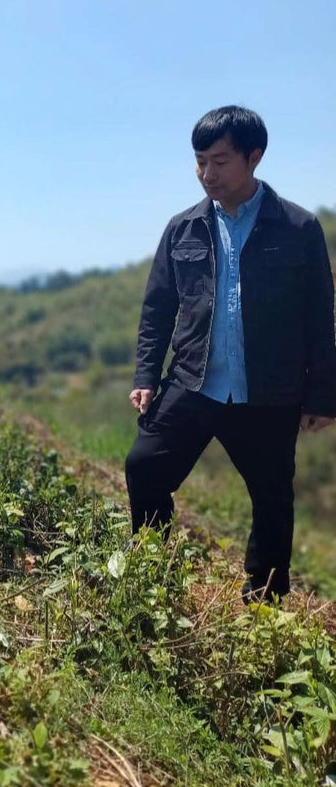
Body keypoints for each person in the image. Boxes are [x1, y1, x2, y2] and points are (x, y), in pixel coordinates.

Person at [125, 106, 336, 603]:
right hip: (194, 383)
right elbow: (158, 308)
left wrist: (323, 395)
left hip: (269, 391)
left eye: (219, 161)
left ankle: (264, 599)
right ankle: (151, 574)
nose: (207, 174)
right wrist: (146, 375)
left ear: (253, 157)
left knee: (271, 497)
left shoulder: (298, 228)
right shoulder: (183, 228)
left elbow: (319, 317)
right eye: (200, 162)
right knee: (144, 466)